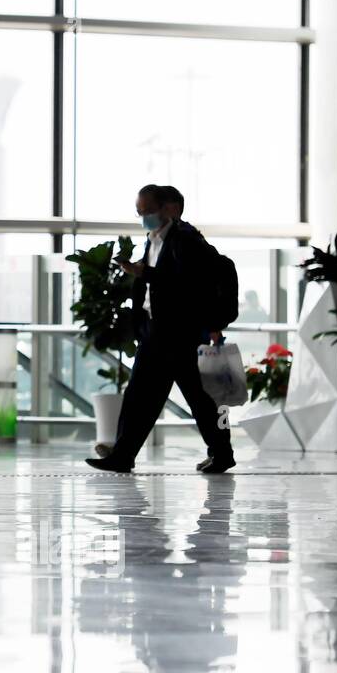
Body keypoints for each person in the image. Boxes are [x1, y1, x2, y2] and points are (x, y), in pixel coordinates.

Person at [86, 184, 235, 474]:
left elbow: (190, 283)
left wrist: (147, 273)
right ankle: (123, 454)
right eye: (139, 211)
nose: (144, 216)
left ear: (171, 208)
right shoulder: (153, 239)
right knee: (142, 396)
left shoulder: (186, 239)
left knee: (202, 398)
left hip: (181, 334)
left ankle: (221, 452)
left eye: (148, 210)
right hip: (156, 334)